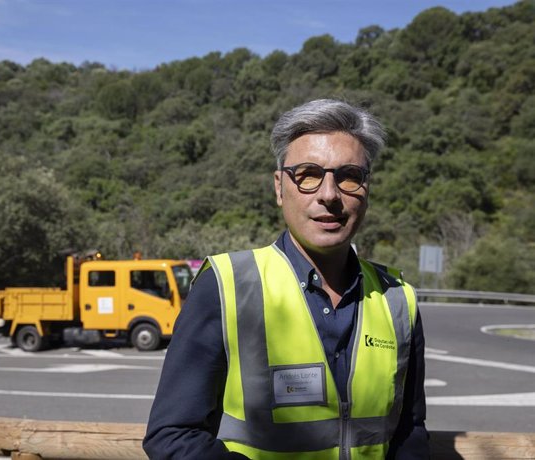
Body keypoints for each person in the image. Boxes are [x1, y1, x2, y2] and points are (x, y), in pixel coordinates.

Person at [143, 99, 429, 459]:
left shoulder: (398, 299)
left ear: (367, 189)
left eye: (349, 176)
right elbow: (172, 435)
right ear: (279, 188)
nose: (329, 195)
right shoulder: (227, 285)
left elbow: (409, 433)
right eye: (308, 175)